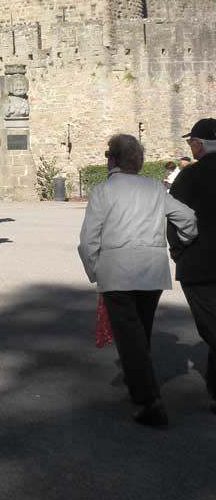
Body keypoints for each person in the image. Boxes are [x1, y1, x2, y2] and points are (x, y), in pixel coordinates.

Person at [78, 133, 197, 427]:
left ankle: (149, 399)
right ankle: (139, 386)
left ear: (113, 159)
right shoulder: (155, 187)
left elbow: (88, 239)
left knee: (129, 336)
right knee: (140, 331)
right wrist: (183, 241)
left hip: (116, 269)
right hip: (151, 268)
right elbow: (188, 219)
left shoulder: (103, 190)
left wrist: (95, 271)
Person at [168, 118, 216, 415]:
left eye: (191, 143)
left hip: (200, 265)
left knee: (212, 328)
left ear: (198, 145)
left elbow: (176, 217)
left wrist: (177, 248)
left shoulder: (189, 176)